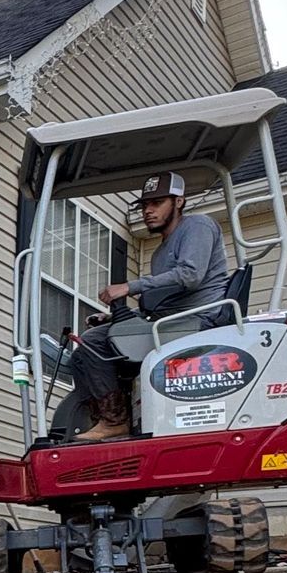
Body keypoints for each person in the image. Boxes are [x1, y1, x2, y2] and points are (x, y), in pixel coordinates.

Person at [64, 172, 233, 442]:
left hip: (198, 322)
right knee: (82, 354)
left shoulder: (197, 226)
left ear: (179, 202)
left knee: (95, 343)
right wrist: (114, 317)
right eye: (144, 205)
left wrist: (129, 287)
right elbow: (159, 303)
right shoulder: (159, 252)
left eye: (157, 203)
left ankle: (115, 421)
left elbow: (190, 275)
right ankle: (103, 420)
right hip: (169, 323)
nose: (148, 211)